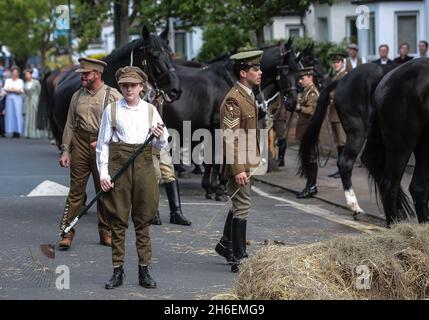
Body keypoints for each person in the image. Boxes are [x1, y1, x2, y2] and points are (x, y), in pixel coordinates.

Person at [96, 66, 168, 289]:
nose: (129, 89)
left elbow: (162, 143)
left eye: (133, 85)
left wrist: (158, 137)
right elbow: (102, 146)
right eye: (125, 85)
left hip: (144, 166)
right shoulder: (111, 111)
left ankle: (144, 270)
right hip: (120, 166)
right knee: (118, 220)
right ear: (120, 86)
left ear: (141, 87)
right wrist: (104, 174)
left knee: (143, 220)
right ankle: (117, 271)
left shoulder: (150, 110)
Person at [58, 57, 122, 250]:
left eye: (86, 74)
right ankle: (66, 232)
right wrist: (66, 151)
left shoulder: (113, 96)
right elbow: (70, 124)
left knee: (104, 190)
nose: (83, 77)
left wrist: (107, 141)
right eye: (82, 74)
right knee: (76, 192)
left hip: (102, 145)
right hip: (80, 143)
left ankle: (106, 233)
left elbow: (122, 125)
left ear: (97, 74)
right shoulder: (77, 96)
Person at [215, 50, 262, 273]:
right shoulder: (233, 99)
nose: (260, 72)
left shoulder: (248, 94)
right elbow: (230, 137)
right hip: (239, 163)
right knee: (242, 206)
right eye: (255, 69)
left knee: (238, 204)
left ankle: (226, 245)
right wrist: (238, 169)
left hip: (247, 160)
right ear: (243, 73)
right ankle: (239, 257)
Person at [145, 83, 191, 226]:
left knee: (169, 172)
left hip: (159, 137)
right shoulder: (139, 90)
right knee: (153, 175)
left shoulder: (158, 89)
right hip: (144, 140)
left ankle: (176, 212)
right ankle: (152, 211)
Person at [295, 67, 320, 198]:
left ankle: (311, 186)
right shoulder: (305, 91)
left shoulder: (312, 93)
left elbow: (310, 110)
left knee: (310, 158)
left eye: (302, 78)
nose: (300, 81)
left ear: (310, 77)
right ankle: (310, 185)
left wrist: (298, 107)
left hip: (309, 130)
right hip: (305, 130)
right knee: (307, 159)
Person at [327, 52, 348, 179]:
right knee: (339, 143)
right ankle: (340, 168)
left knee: (342, 142)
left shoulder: (344, 76)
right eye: (334, 62)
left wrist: (329, 95)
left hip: (341, 114)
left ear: (342, 62)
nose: (335, 64)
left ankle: (343, 169)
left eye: (338, 62)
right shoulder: (336, 76)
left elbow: (342, 94)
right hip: (334, 114)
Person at [4, 66, 24, 138]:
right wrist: (14, 90)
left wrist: (12, 90)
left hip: (17, 99)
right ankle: (12, 130)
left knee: (17, 115)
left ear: (18, 73)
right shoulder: (8, 80)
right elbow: (5, 89)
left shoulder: (20, 81)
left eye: (16, 73)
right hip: (9, 99)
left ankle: (18, 131)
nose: (14, 74)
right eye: (13, 72)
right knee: (10, 115)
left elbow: (21, 90)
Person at [23, 69, 43, 138]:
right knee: (28, 116)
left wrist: (38, 100)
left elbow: (39, 92)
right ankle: (28, 133)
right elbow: (25, 93)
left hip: (35, 99)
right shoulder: (25, 83)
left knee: (35, 116)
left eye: (28, 74)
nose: (26, 75)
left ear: (31, 74)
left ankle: (36, 133)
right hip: (28, 100)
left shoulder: (36, 82)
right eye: (26, 74)